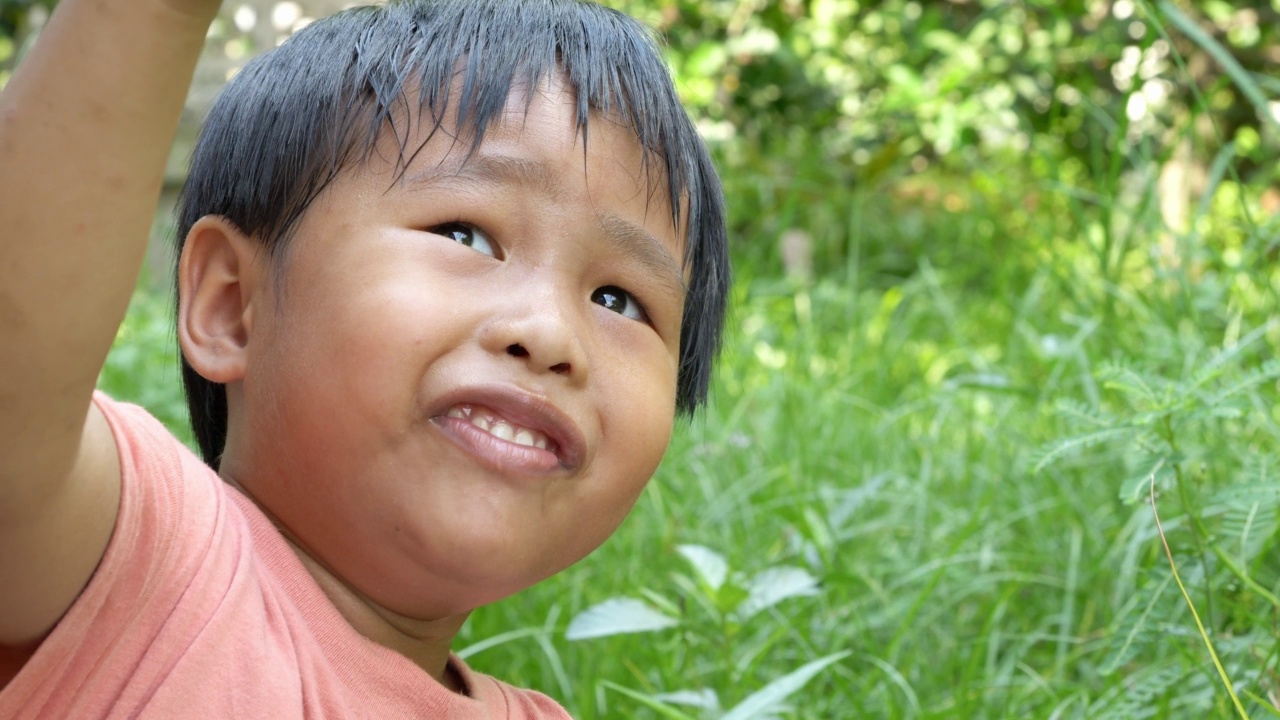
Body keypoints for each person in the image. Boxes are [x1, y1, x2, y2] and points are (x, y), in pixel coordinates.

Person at [0, 0, 729, 715]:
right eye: (466, 235)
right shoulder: (140, 571)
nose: (549, 334)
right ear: (230, 305)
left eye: (618, 301)